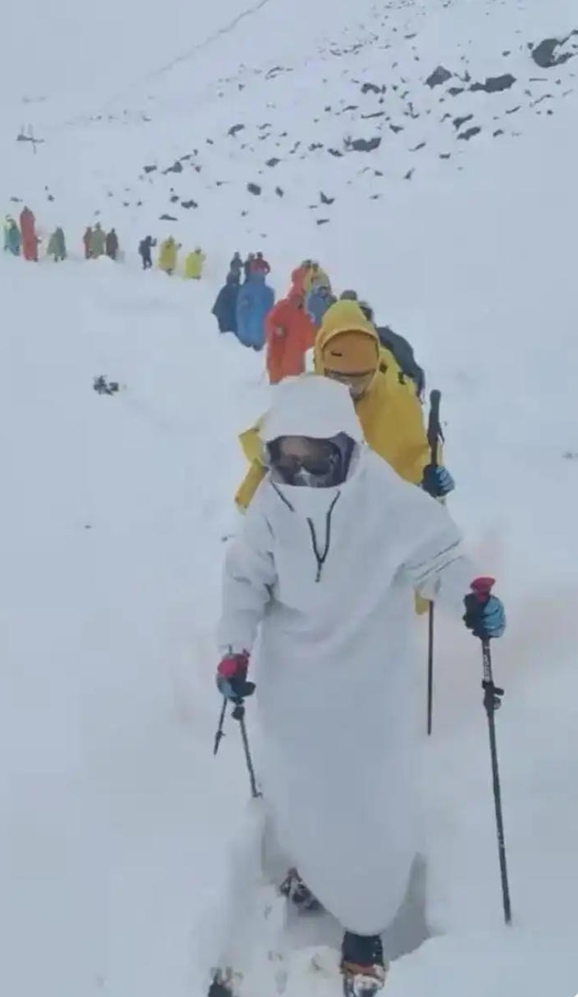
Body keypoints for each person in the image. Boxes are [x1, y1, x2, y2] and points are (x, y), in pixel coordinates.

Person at [214, 373, 506, 997]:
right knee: (303, 791)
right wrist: (234, 652)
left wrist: (471, 598)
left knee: (368, 807)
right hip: (297, 689)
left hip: (370, 689)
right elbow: (244, 582)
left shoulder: (384, 497)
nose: (301, 469)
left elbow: (440, 560)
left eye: (314, 454)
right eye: (287, 454)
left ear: (344, 444)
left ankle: (367, 928)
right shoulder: (271, 504)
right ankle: (315, 873)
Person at [233, 299, 446, 512]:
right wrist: (251, 495)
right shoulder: (305, 396)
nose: (351, 388)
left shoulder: (397, 398)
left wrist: (429, 475)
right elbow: (265, 446)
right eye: (340, 378)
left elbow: (415, 454)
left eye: (361, 378)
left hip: (376, 522)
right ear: (321, 362)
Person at [265, 288, 317, 383]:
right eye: (296, 298)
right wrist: (276, 330)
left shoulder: (305, 315)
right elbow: (269, 322)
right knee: (277, 381)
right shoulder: (281, 307)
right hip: (279, 351)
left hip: (295, 356)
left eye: (300, 299)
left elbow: (310, 337)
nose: (298, 302)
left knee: (294, 383)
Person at [233, 266, 275, 351]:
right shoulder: (268, 291)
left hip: (244, 335)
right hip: (261, 335)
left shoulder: (245, 289)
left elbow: (240, 310)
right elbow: (271, 309)